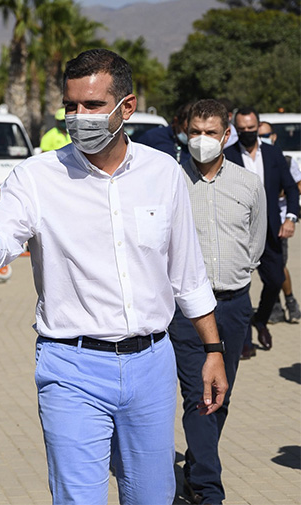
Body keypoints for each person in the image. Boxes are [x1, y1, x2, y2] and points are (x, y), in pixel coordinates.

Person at [0, 49, 227, 504]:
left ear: (125, 107)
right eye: (71, 106)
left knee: (153, 495)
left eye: (92, 106)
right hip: (71, 367)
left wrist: (212, 350)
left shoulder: (163, 173)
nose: (78, 117)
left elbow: (188, 274)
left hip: (151, 365)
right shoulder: (35, 178)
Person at [170, 99, 266, 505]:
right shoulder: (171, 181)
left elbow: (256, 243)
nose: (202, 140)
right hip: (186, 311)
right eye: (195, 132)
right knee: (198, 394)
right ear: (184, 132)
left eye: (211, 133)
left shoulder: (248, 185)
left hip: (233, 305)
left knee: (219, 395)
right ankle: (209, 490)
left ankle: (195, 469)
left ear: (226, 136)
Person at [224, 107, 298, 354]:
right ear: (235, 129)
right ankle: (245, 341)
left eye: (251, 129)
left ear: (258, 127)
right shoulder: (228, 155)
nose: (247, 133)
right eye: (242, 129)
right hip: (239, 233)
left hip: (271, 231)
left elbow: (291, 188)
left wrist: (291, 218)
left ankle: (261, 320)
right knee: (241, 286)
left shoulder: (274, 153)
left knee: (276, 279)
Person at [259, 121, 301, 324]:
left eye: (265, 134)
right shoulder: (251, 158)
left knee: (279, 266)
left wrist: (289, 217)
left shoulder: (284, 158)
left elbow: (296, 184)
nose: (261, 138)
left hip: (279, 221)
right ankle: (273, 305)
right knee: (266, 268)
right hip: (256, 223)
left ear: (273, 136)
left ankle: (290, 301)